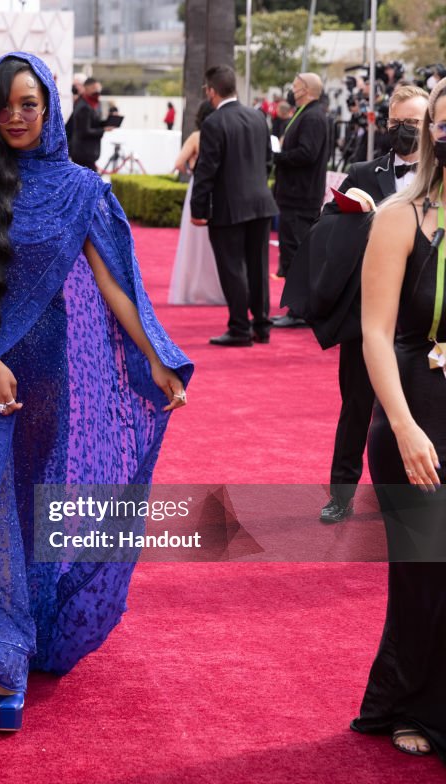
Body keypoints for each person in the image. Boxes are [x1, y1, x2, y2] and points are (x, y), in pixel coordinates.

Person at [0, 52, 192, 733]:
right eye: (3, 105)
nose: (15, 117)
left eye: (28, 104)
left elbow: (117, 284)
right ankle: (5, 659)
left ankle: (25, 621)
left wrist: (156, 360)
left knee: (32, 501)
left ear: (48, 108)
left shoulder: (81, 189)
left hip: (48, 380)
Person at [351, 76, 446, 761]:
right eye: (442, 122)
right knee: (423, 572)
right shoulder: (399, 216)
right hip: (413, 412)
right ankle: (409, 703)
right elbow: (376, 335)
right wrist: (406, 427)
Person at [282, 85, 429, 523]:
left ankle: (416, 493)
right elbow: (325, 224)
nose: (404, 131)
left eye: (413, 124)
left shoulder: (441, 176)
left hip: (424, 313)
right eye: (397, 123)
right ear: (387, 125)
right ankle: (341, 494)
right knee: (357, 407)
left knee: (422, 405)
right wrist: (353, 210)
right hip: (368, 314)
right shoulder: (364, 170)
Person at [191, 64, 279, 347]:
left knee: (232, 268)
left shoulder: (214, 123)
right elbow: (268, 160)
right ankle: (262, 325)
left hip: (229, 208)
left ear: (212, 91)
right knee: (258, 266)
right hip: (261, 203)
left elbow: (206, 171)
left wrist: (198, 210)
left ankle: (240, 328)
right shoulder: (257, 117)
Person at [272, 73, 332, 326]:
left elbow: (307, 153)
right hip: (295, 194)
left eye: (295, 86)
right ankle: (297, 308)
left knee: (296, 253)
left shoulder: (314, 117)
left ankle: (300, 310)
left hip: (301, 195)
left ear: (305, 90)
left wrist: (279, 156)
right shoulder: (309, 113)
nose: (291, 90)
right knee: (292, 250)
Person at [169, 101, 224, 305]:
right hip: (219, 189)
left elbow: (177, 163)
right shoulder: (221, 133)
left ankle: (194, 288)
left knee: (194, 242)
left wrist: (192, 170)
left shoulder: (196, 136)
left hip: (199, 187)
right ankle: (218, 288)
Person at [69, 77, 106, 170]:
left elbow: (94, 123)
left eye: (98, 88)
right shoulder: (83, 106)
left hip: (89, 152)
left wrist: (106, 123)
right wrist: (103, 130)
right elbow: (84, 131)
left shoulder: (94, 104)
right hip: (82, 153)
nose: (97, 91)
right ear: (86, 88)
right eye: (94, 88)